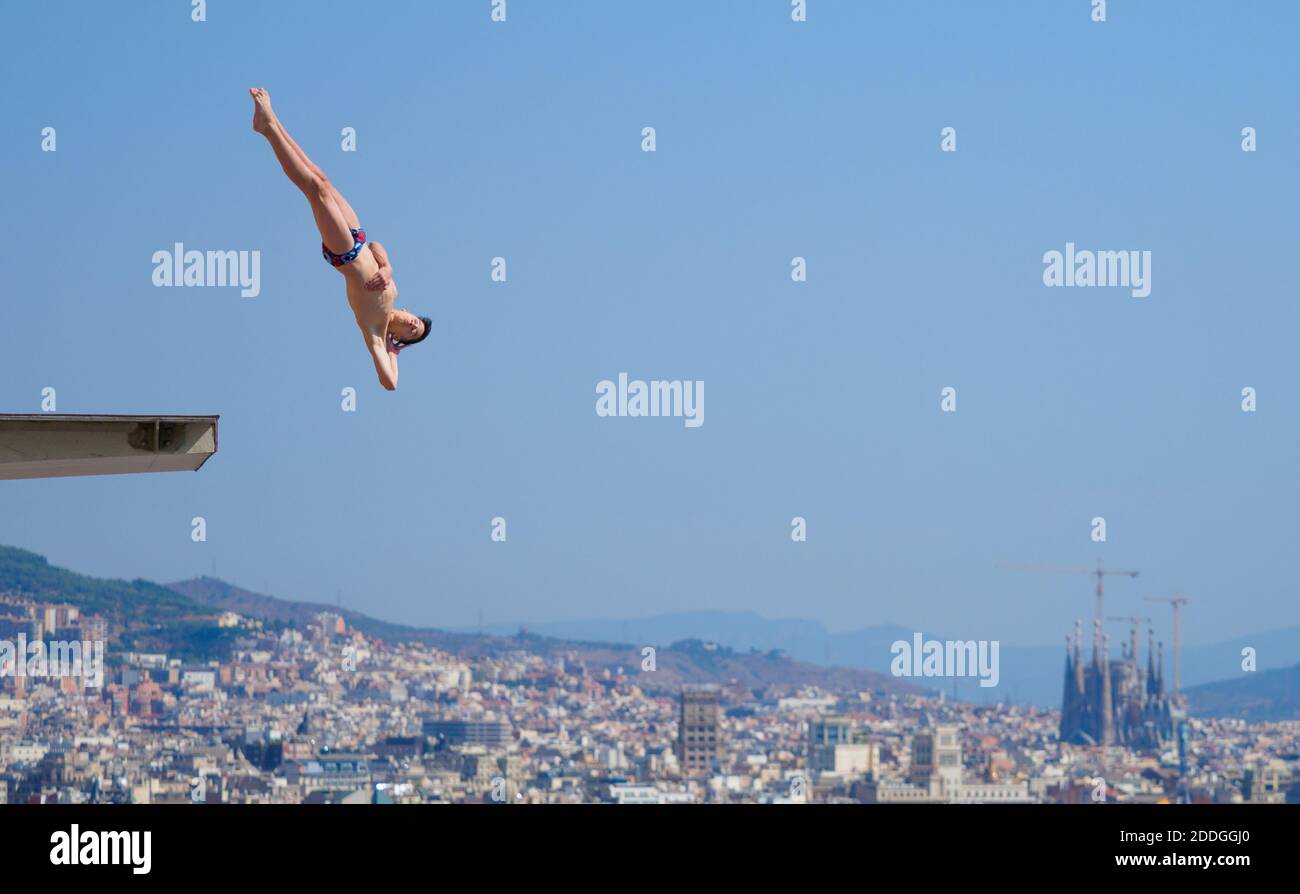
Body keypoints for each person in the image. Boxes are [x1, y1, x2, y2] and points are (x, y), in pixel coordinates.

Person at [250, 88, 430, 390]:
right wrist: (387, 267)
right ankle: (271, 123)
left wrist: (393, 353)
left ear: (401, 338)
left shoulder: (376, 328)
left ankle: (268, 129)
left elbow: (390, 384)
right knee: (321, 178)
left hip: (343, 253)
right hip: (359, 237)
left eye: (413, 332)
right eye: (417, 321)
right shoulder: (394, 289)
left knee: (313, 189)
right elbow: (376, 247)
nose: (413, 324)